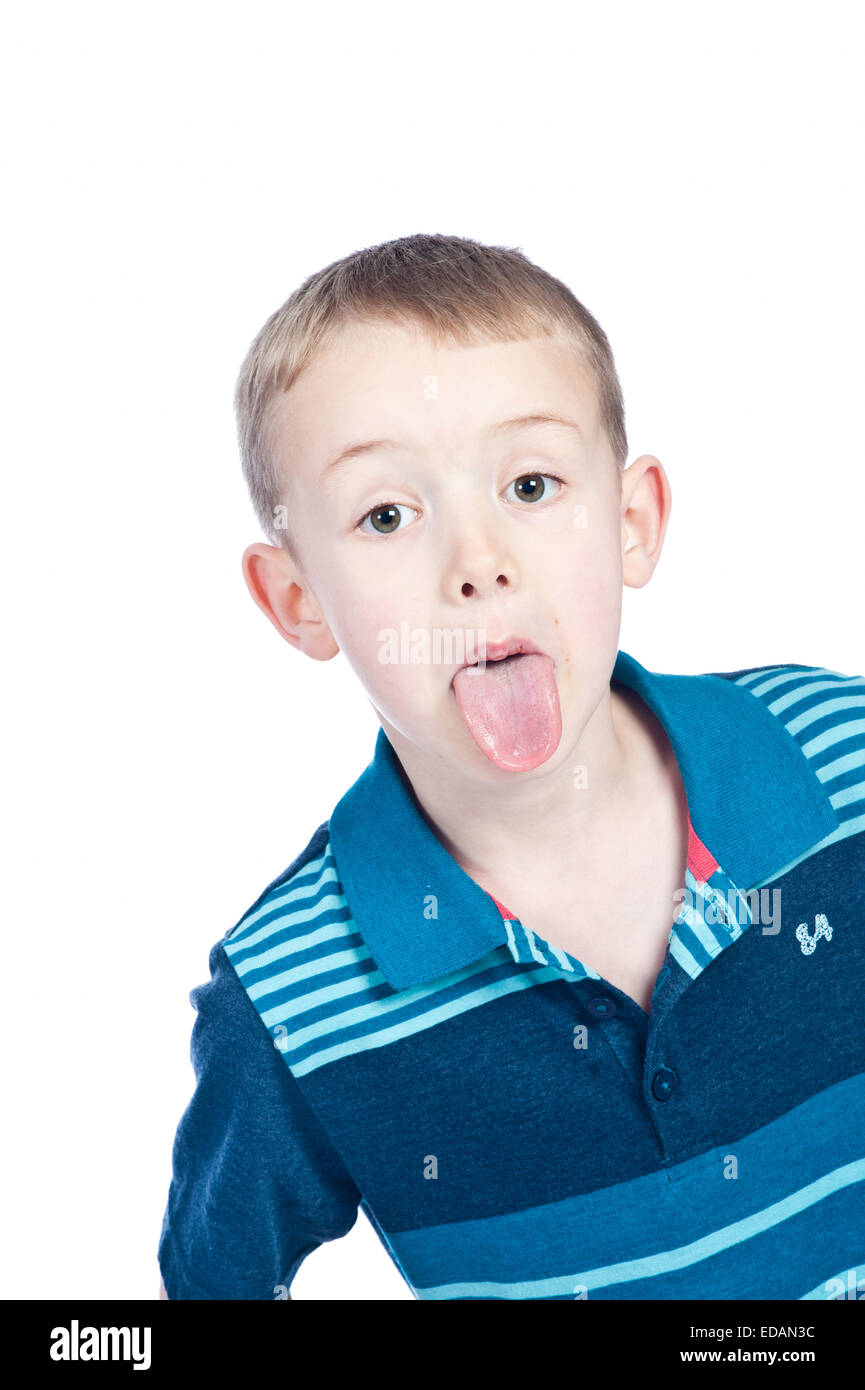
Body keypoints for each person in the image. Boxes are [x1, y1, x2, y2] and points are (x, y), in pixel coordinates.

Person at [157, 233, 865, 1300]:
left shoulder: (840, 764)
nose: (478, 563)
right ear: (298, 599)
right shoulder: (289, 994)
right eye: (387, 514)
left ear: (631, 521)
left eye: (530, 484)